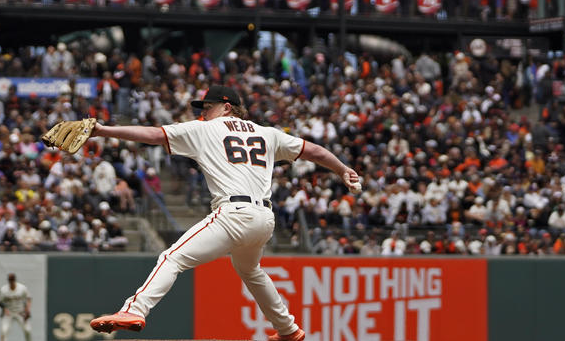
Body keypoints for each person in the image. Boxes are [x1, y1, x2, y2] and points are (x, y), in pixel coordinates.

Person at [84, 85, 360, 341]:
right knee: (250, 270)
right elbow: (313, 151)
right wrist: (342, 169)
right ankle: (288, 330)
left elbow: (155, 135)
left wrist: (103, 130)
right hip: (264, 220)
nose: (203, 112)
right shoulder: (267, 133)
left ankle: (134, 309)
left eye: (208, 107)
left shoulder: (206, 129)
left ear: (227, 107)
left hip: (234, 213)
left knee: (172, 257)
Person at [0, 272, 32, 341]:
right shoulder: (4, 289)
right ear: (8, 281)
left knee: (27, 330)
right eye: (10, 280)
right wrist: (5, 309)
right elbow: (0, 302)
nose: (11, 281)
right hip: (9, 313)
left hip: (20, 312)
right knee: (4, 331)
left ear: (15, 280)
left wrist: (27, 310)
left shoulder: (22, 288)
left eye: (12, 280)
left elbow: (28, 298)